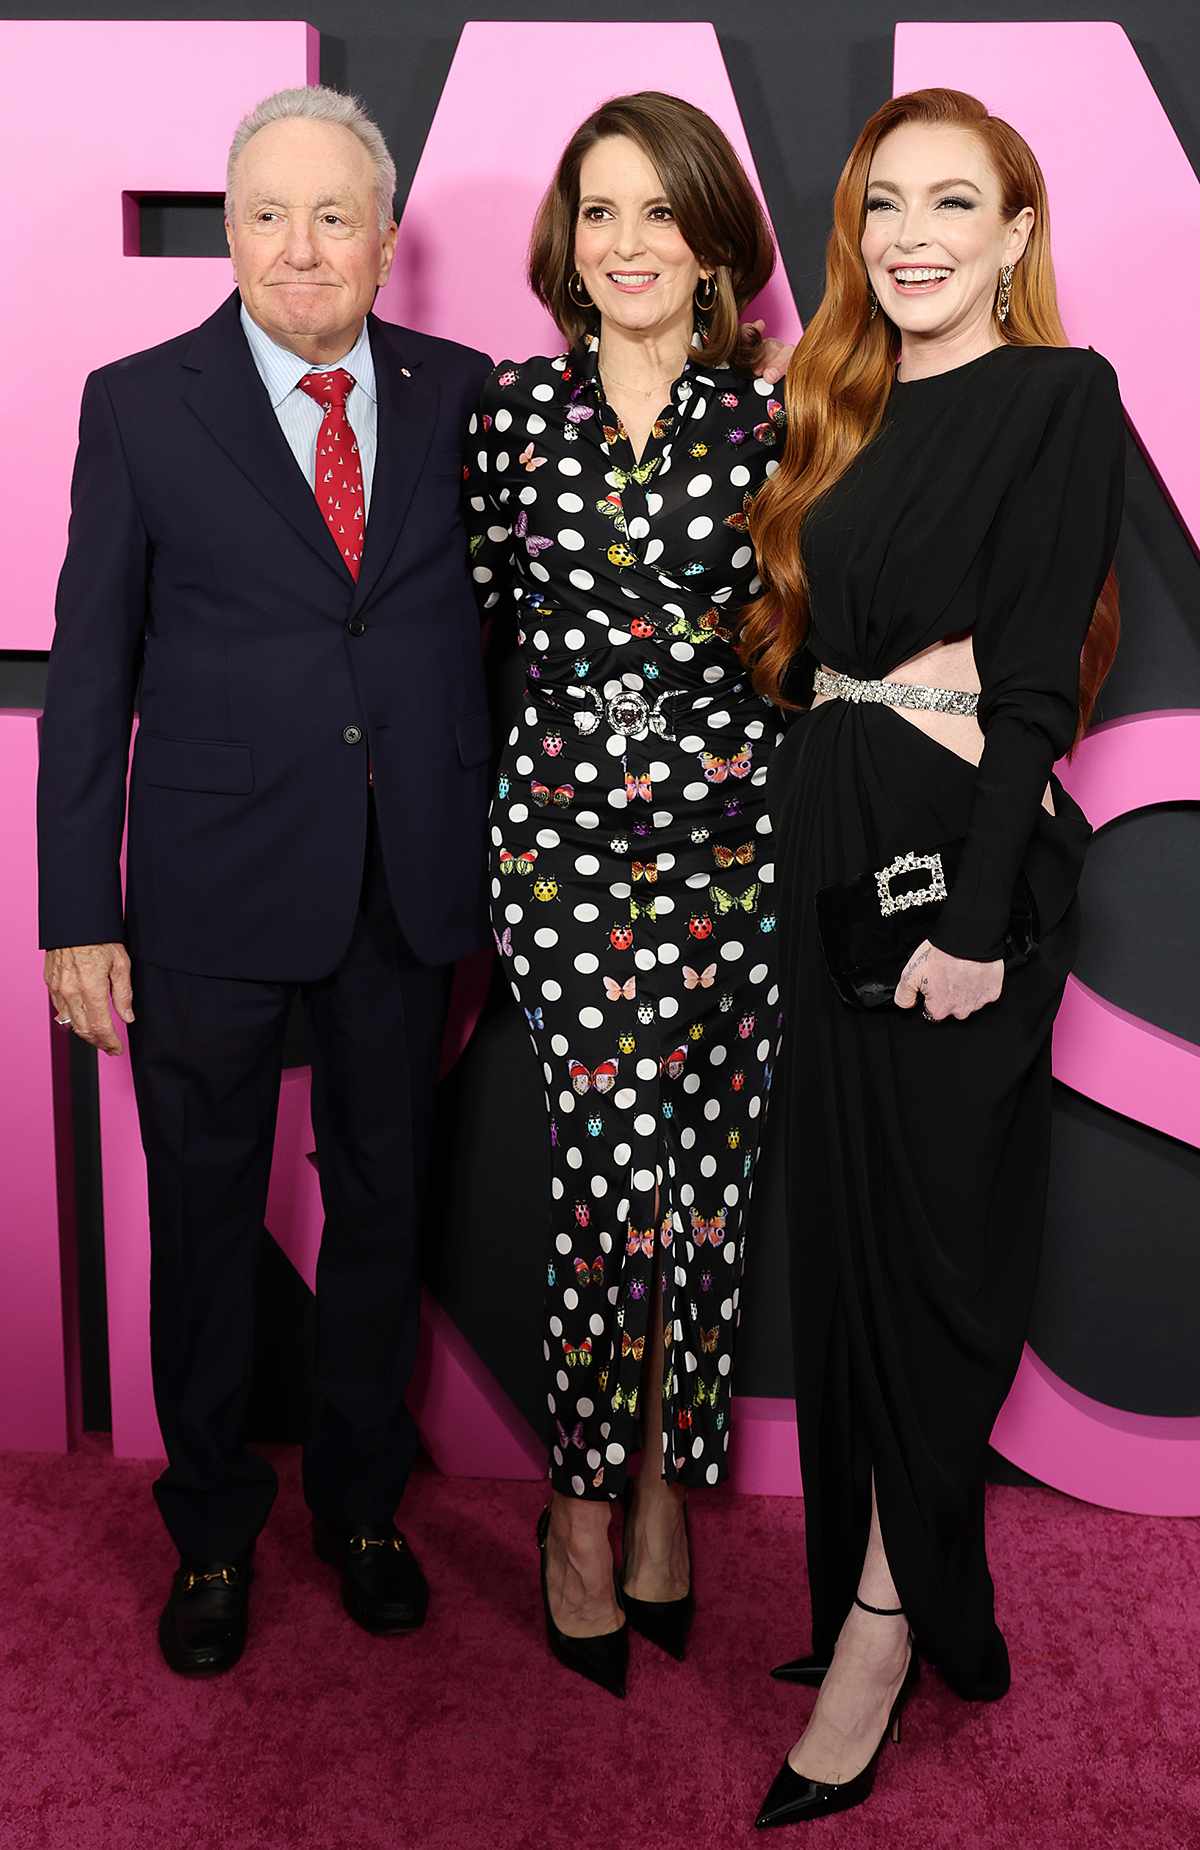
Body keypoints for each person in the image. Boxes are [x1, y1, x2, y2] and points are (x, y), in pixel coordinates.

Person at [37, 85, 495, 1675]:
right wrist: (75, 913)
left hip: (404, 881)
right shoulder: (138, 403)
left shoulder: (463, 397)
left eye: (333, 214)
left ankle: (366, 1505)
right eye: (266, 214)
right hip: (208, 888)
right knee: (209, 1215)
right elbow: (91, 676)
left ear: (384, 237)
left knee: (383, 1205)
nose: (300, 248)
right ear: (227, 231)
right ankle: (213, 1529)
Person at [739, 88, 1124, 1826]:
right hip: (830, 837)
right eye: (885, 204)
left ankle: (893, 1631)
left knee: (945, 1249)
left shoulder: (1061, 395)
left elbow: (1036, 676)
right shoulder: (841, 403)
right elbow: (818, 650)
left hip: (960, 877)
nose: (911, 234)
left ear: (1015, 234)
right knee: (853, 1235)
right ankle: (865, 1591)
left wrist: (976, 927)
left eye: (952, 203)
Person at [466, 92, 792, 1696]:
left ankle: (670, 1490)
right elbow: (453, 644)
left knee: (706, 1202)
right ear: (565, 245)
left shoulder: (778, 431)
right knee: (607, 1204)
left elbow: (809, 663)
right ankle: (580, 1514)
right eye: (600, 212)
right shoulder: (509, 418)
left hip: (735, 871)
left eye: (660, 212)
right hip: (567, 868)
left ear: (715, 243)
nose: (628, 244)